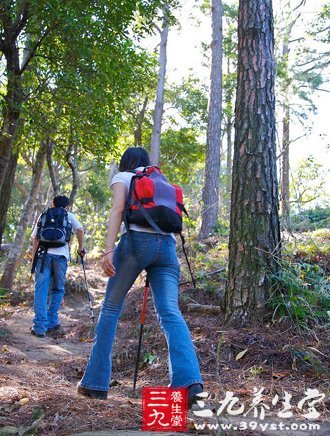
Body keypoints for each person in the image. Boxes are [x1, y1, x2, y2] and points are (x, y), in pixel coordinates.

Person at [77, 147, 203, 406]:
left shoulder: (123, 177)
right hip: (167, 248)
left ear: (126, 162)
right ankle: (189, 383)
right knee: (170, 312)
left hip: (136, 243)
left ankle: (95, 383)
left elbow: (118, 210)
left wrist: (109, 249)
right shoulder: (162, 181)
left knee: (111, 308)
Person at [30, 195, 85, 338]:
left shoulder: (44, 215)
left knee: (41, 291)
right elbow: (80, 230)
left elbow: (35, 239)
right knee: (58, 289)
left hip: (43, 257)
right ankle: (52, 322)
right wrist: (80, 248)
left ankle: (40, 327)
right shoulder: (69, 215)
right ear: (66, 206)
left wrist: (33, 259)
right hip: (61, 258)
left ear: (53, 204)